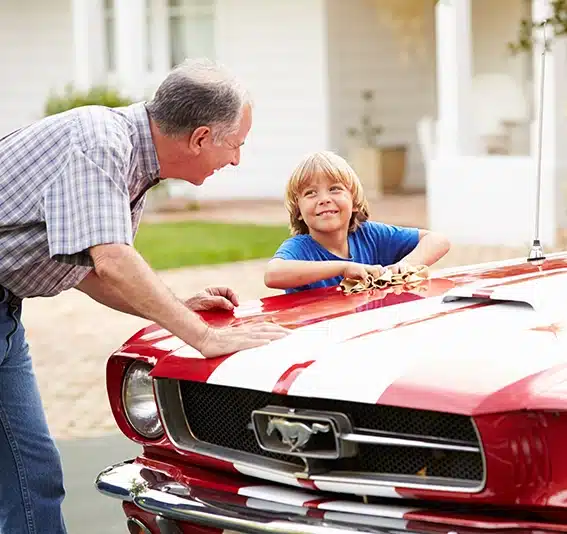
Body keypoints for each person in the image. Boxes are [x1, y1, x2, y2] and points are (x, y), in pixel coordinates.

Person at [0, 58, 289, 533]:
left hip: (6, 314)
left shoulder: (129, 159)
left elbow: (90, 269)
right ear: (200, 138)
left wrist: (179, 306)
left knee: (32, 476)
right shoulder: (99, 143)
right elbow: (112, 260)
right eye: (236, 145)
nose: (236, 159)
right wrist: (201, 336)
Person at [264, 150, 450, 293]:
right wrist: (344, 268)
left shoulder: (370, 235)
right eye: (310, 193)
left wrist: (406, 265)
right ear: (298, 211)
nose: (324, 199)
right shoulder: (300, 248)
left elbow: (438, 241)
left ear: (354, 202)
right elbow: (272, 275)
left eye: (335, 189)